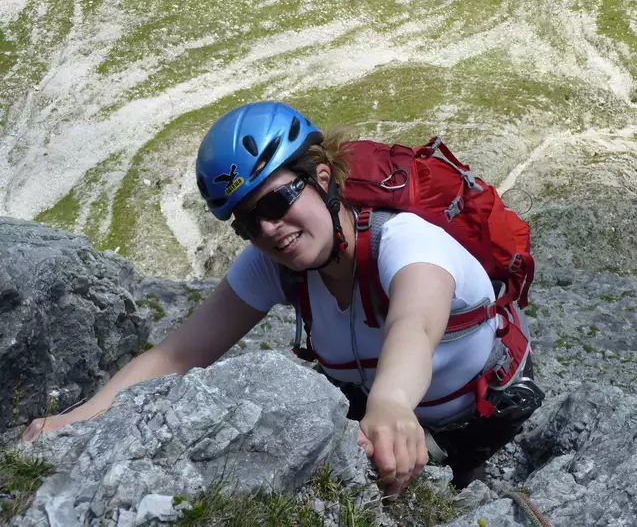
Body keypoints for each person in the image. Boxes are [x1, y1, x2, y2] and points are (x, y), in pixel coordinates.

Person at [24, 101, 543, 496]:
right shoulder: (275, 264)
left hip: (485, 423)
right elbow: (178, 355)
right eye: (248, 221)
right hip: (384, 420)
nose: (271, 228)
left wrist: (390, 402)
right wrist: (75, 420)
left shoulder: (407, 240)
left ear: (320, 178)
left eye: (277, 200)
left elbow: (416, 324)